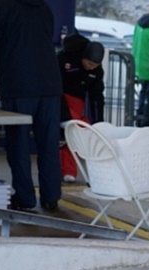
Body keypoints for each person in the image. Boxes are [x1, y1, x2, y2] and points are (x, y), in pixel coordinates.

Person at [0, 0, 63, 211]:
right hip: (50, 83)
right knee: (49, 144)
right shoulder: (43, 7)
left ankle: (25, 198)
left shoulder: (2, 7)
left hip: (19, 82)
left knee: (19, 144)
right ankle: (51, 197)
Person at [57, 34, 105, 184]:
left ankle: (69, 170)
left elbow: (97, 96)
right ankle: (62, 169)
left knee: (76, 133)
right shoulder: (65, 58)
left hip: (77, 100)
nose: (90, 67)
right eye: (89, 64)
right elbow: (55, 86)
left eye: (94, 66)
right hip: (58, 96)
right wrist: (64, 116)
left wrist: (99, 122)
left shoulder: (96, 71)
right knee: (67, 132)